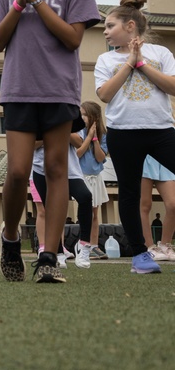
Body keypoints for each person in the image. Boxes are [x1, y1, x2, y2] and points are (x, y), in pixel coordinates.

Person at [0, 0, 100, 284]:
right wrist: (19, 2)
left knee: (56, 171)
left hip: (59, 90)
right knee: (17, 173)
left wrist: (38, 1)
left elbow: (73, 38)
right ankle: (12, 236)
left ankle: (49, 257)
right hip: (18, 89)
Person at [94, 0, 175, 275]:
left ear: (130, 26)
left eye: (110, 25)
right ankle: (141, 256)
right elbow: (104, 94)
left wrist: (142, 63)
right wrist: (129, 62)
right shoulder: (105, 59)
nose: (105, 31)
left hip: (161, 130)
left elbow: (173, 87)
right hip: (123, 133)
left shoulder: (161, 54)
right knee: (128, 194)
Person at [31, 142, 94, 268]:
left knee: (85, 197)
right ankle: (58, 252)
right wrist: (52, 134)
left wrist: (64, 128)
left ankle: (83, 245)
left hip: (70, 169)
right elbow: (32, 144)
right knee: (50, 210)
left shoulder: (69, 121)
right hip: (42, 168)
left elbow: (79, 141)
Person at [74, 101, 109, 259]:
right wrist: (88, 137)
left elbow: (101, 157)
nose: (81, 117)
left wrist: (95, 139)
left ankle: (94, 245)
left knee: (95, 214)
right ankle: (83, 244)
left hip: (96, 177)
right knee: (85, 213)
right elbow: (78, 153)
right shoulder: (78, 131)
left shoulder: (103, 134)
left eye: (84, 114)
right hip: (82, 177)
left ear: (93, 117)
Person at [141, 156, 175, 262]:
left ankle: (165, 246)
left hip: (163, 155)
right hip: (143, 155)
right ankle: (149, 246)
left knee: (173, 205)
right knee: (145, 204)